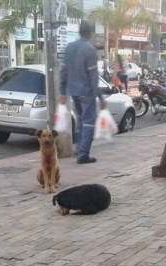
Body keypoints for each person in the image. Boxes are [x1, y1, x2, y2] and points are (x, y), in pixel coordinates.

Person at [59, 21, 106, 165]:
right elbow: (93, 76)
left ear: (79, 32)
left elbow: (64, 71)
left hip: (73, 92)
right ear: (90, 33)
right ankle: (83, 154)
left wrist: (62, 92)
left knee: (80, 120)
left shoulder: (70, 48)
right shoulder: (90, 49)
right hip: (86, 92)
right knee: (89, 122)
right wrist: (100, 96)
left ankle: (80, 149)